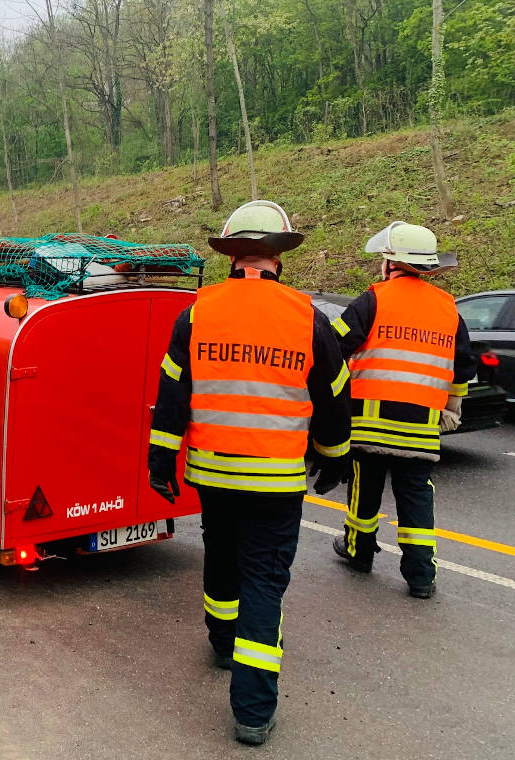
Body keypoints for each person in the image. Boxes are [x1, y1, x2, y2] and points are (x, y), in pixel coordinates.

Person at [147, 200, 351, 746]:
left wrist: (160, 462)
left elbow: (172, 397)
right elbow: (334, 399)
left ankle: (221, 642)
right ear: (280, 258)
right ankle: (253, 712)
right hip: (276, 484)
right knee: (263, 581)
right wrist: (335, 458)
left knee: (221, 554)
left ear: (231, 257)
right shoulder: (308, 318)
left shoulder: (196, 312)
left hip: (213, 475)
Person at [329, 221, 474, 599]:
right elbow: (462, 368)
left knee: (365, 490)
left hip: (370, 424)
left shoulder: (373, 299)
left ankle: (359, 552)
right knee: (417, 497)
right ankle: (421, 575)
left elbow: (334, 348)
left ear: (390, 263)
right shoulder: (448, 309)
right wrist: (452, 408)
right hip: (421, 428)